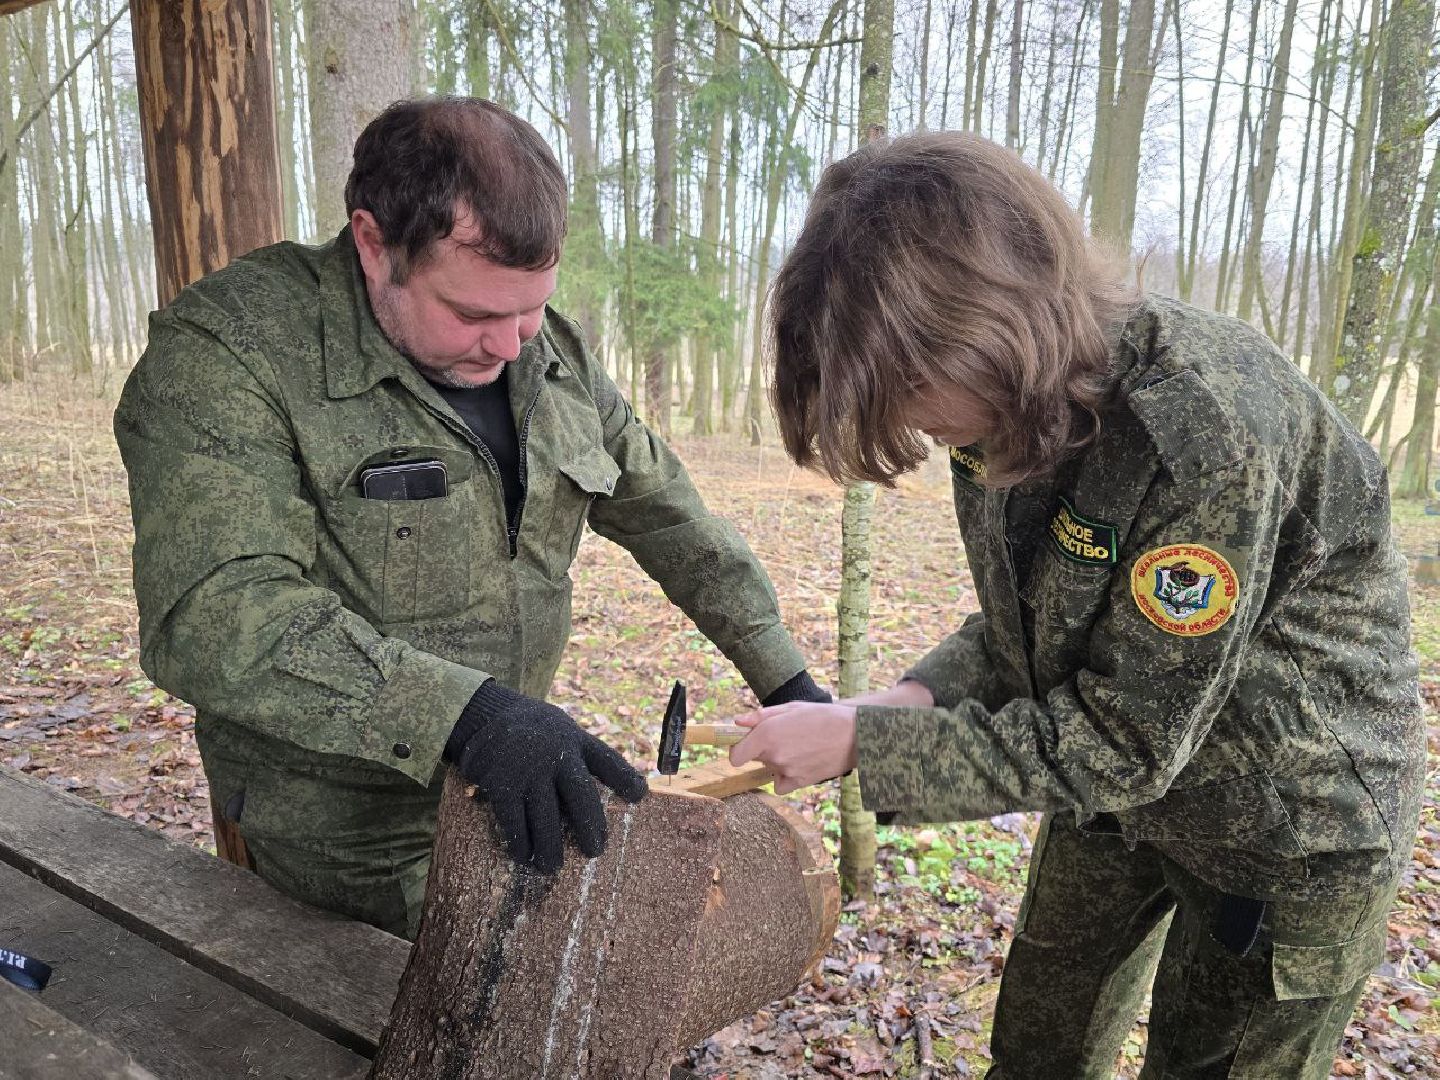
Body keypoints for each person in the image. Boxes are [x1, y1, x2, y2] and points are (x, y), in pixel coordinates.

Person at [729, 131, 1425, 1078]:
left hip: (1285, 819)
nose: (911, 422)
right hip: (1116, 799)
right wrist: (905, 701)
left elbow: (1123, 741)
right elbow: (1029, 624)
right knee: (1038, 1045)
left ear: (991, 323)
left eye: (909, 387)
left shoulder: (1207, 432)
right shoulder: (1001, 409)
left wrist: (865, 746)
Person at [114, 96, 828, 941]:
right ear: (374, 244)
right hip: (343, 836)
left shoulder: (548, 352)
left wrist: (785, 677)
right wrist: (466, 715)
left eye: (531, 308)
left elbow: (667, 512)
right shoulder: (234, 348)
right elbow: (213, 610)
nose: (513, 344)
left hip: (507, 792)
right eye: (476, 315)